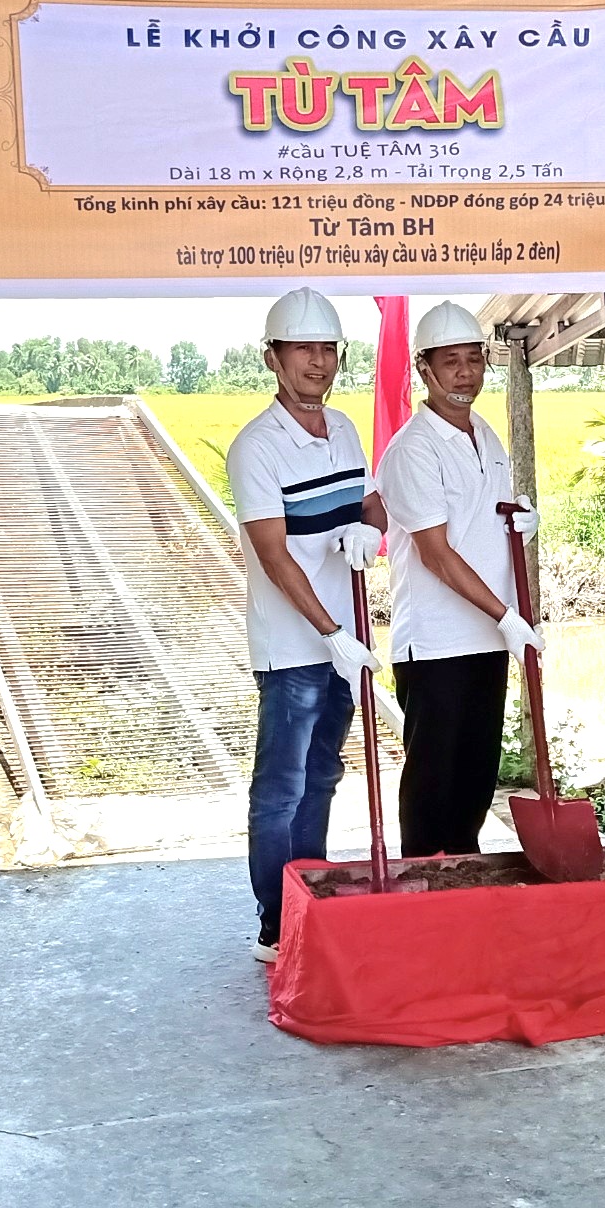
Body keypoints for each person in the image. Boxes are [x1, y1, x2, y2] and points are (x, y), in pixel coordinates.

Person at [224, 287, 385, 962]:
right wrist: (330, 632)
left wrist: (368, 531)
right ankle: (275, 921)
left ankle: (309, 896)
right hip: (294, 647)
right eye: (303, 350)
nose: (318, 362)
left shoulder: (343, 428)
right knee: (281, 788)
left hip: (344, 644)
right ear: (273, 358)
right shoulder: (256, 447)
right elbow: (274, 553)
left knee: (322, 776)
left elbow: (371, 503)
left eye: (328, 349)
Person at [373, 300, 540, 857]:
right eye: (451, 362)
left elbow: (481, 525)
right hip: (437, 644)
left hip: (488, 639)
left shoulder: (485, 435)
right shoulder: (413, 449)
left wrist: (520, 524)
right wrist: (506, 615)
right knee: (434, 786)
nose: (466, 373)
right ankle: (423, 889)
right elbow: (437, 555)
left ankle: (464, 887)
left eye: (474, 359)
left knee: (474, 782)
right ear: (424, 368)